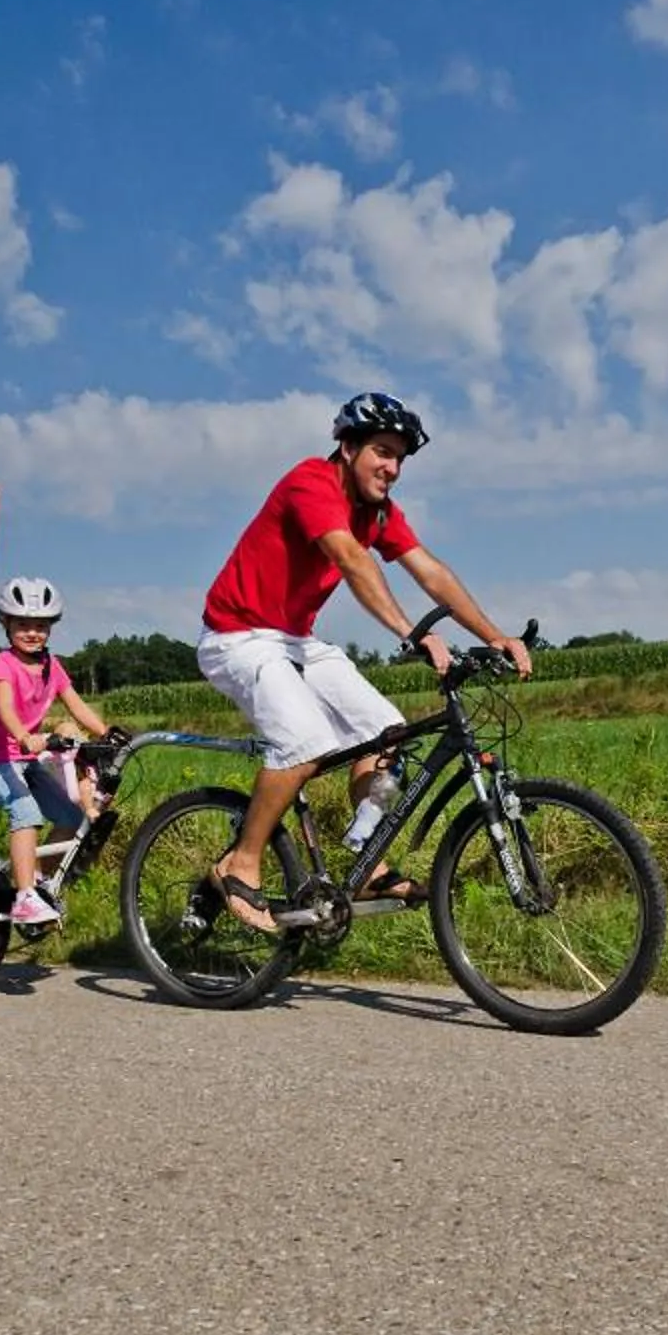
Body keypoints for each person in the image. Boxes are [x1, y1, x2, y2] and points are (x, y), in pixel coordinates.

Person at [194, 390, 530, 932]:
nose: (392, 467)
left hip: (296, 640)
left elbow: (431, 572)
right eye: (381, 451)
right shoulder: (311, 482)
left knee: (388, 732)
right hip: (238, 636)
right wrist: (411, 632)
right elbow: (349, 558)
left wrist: (494, 636)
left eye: (399, 457)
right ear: (347, 448)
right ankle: (241, 863)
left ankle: (367, 859)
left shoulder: (377, 513)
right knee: (303, 740)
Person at [0, 576, 112, 927]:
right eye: (23, 625)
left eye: (41, 626)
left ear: (51, 628)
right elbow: (4, 707)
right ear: (6, 624)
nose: (32, 632)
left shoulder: (52, 666)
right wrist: (23, 736)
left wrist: (109, 733)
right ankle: (25, 896)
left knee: (73, 819)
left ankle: (38, 882)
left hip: (26, 760)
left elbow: (76, 706)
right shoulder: (4, 664)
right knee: (26, 812)